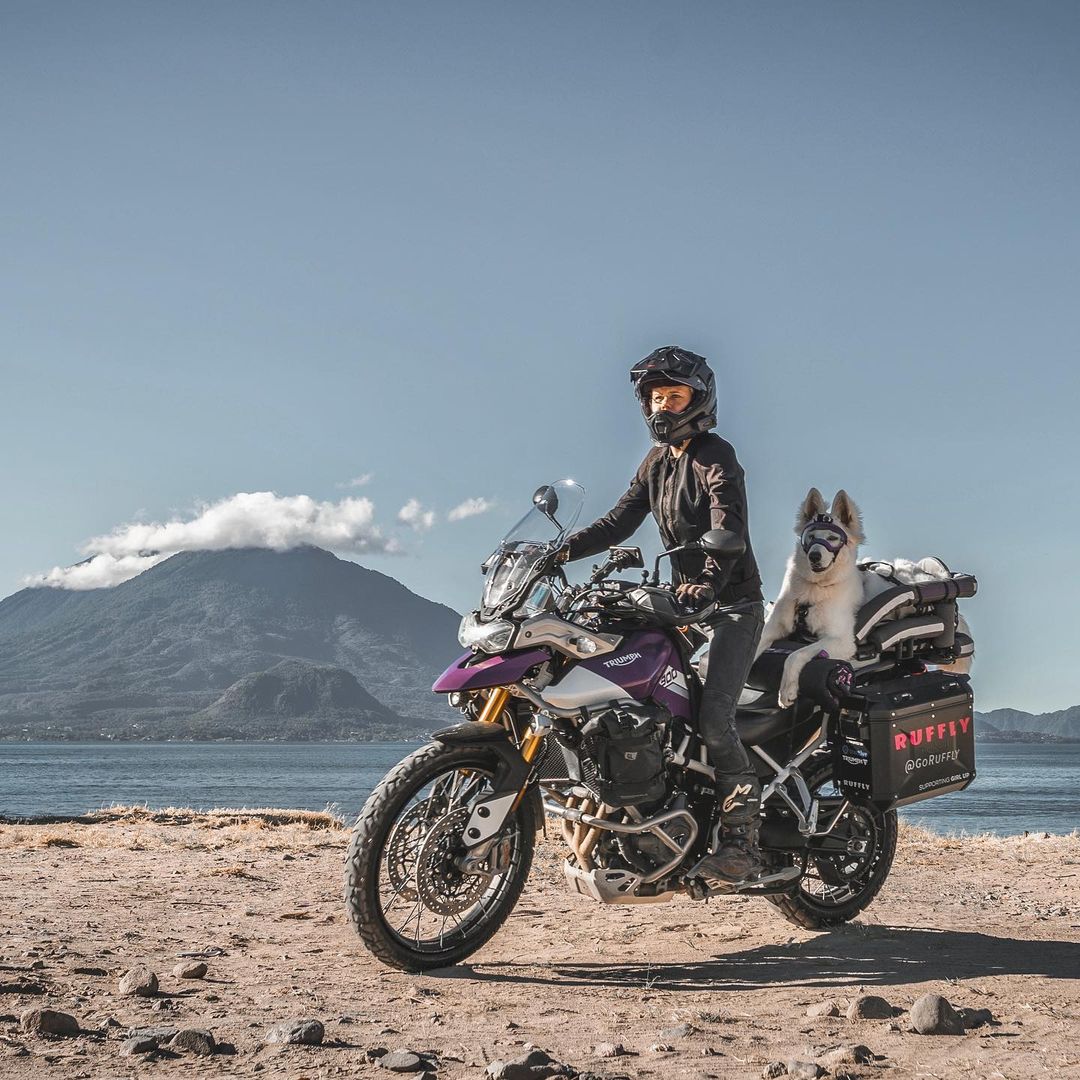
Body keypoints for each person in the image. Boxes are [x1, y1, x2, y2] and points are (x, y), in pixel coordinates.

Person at [560, 345, 767, 884]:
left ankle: (741, 841)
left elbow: (730, 528)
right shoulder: (655, 464)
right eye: (656, 398)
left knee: (714, 718)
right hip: (681, 606)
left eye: (675, 397)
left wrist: (708, 584)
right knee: (630, 686)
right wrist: (557, 552)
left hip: (729, 608)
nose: (663, 408)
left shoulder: (716, 456)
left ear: (699, 400)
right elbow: (616, 523)